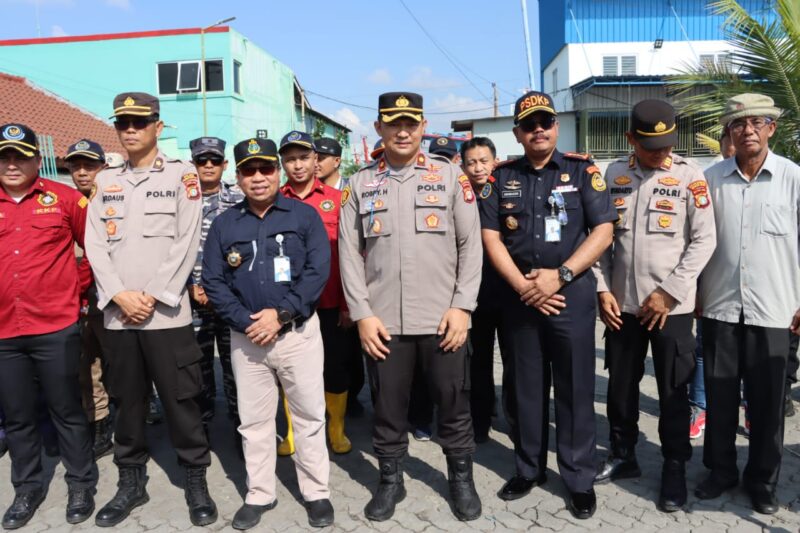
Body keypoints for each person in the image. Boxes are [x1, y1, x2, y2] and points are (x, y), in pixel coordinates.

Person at [339, 92, 483, 522]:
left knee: (453, 403)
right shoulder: (360, 183)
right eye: (393, 123)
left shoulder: (449, 177)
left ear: (422, 127)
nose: (402, 131)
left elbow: (470, 246)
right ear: (378, 128)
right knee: (387, 406)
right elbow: (348, 253)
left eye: (411, 123)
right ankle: (390, 480)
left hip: (444, 320)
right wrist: (363, 314)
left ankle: (461, 479)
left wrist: (463, 307)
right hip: (384, 323)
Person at [479, 91, 616, 519]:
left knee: (575, 388)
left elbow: (603, 230)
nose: (539, 129)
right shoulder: (500, 178)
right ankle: (529, 468)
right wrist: (523, 285)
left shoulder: (582, 170)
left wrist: (562, 275)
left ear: (556, 127)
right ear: (518, 132)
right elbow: (491, 237)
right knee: (525, 388)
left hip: (569, 295)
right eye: (529, 124)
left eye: (546, 122)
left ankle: (578, 478)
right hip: (520, 297)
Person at [85, 93, 217, 527]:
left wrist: (155, 294)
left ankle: (195, 480)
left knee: (182, 401)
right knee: (127, 401)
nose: (130, 129)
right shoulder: (106, 181)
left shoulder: (183, 178)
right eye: (123, 122)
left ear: (158, 127)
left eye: (139, 122)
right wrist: (120, 294)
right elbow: (94, 245)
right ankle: (131, 482)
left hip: (167, 315)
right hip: (119, 316)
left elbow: (186, 239)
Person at [202, 137, 334, 529]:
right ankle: (260, 493)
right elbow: (213, 280)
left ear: (277, 171)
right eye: (248, 170)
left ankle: (316, 492)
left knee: (309, 416)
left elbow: (317, 272)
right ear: (238, 177)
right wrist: (247, 322)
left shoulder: (303, 216)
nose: (258, 177)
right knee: (254, 422)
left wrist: (280, 315)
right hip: (248, 340)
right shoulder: (225, 224)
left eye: (265, 168)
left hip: (297, 335)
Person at [593, 100, 716, 512]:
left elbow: (704, 240)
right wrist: (602, 288)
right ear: (631, 139)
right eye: (650, 146)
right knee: (621, 389)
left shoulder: (689, 177)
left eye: (666, 145)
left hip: (671, 310)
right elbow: (602, 237)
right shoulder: (615, 174)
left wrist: (672, 291)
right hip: (623, 306)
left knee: (673, 392)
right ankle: (623, 454)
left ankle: (675, 466)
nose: (659, 153)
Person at [697, 93, 800, 515]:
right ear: (729, 133)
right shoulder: (711, 179)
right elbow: (696, 240)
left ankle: (763, 480)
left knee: (768, 402)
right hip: (719, 306)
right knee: (720, 397)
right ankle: (720, 471)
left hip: (776, 308)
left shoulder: (793, 178)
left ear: (771, 128)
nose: (748, 130)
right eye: (738, 124)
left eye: (757, 122)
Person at [0, 123, 98, 528]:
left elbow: (96, 251)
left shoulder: (67, 199)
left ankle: (80, 484)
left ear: (36, 161)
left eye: (20, 156)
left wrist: (73, 291)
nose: (11, 164)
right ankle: (27, 489)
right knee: (18, 416)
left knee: (66, 411)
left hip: (54, 326)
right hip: (4, 332)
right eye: (4, 156)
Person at [278, 131, 353, 456]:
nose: (297, 165)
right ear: (283, 163)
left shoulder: (339, 200)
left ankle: (336, 428)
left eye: (304, 158)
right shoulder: (275, 199)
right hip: (288, 306)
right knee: (290, 371)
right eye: (290, 159)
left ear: (316, 160)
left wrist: (350, 304)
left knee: (335, 368)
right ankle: (293, 432)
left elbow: (351, 255)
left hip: (331, 301)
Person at [187, 136, 242, 429]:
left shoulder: (238, 200)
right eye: (201, 160)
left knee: (236, 367)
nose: (207, 166)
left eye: (213, 160)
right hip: (191, 300)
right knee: (197, 367)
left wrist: (220, 290)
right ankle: (202, 424)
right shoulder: (179, 200)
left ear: (224, 164)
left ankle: (239, 425)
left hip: (230, 299)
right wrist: (190, 286)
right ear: (192, 163)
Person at [65, 139, 114, 459]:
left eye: (90, 166)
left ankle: (130, 417)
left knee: (122, 366)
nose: (83, 172)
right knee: (88, 367)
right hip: (76, 302)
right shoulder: (64, 202)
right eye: (76, 166)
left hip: (111, 299)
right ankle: (99, 423)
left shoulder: (114, 201)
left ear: (102, 167)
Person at [459, 136, 510, 443]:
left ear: (495, 160)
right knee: (477, 360)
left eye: (483, 161)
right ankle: (480, 418)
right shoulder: (459, 196)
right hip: (473, 292)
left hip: (508, 289)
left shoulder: (509, 189)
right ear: (463, 166)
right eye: (471, 162)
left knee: (514, 359)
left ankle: (516, 418)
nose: (478, 168)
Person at [689, 127, 737, 441]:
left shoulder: (783, 177)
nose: (734, 145)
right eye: (728, 139)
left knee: (753, 358)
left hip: (758, 290)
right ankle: (699, 406)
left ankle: (746, 407)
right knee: (706, 350)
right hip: (713, 283)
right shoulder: (707, 180)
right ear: (721, 145)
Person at [312, 137, 365, 416]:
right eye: (314, 156)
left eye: (322, 157)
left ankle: (351, 397)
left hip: (346, 283)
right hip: (317, 291)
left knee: (348, 349)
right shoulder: (302, 194)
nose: (316, 162)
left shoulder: (351, 190)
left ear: (336, 161)